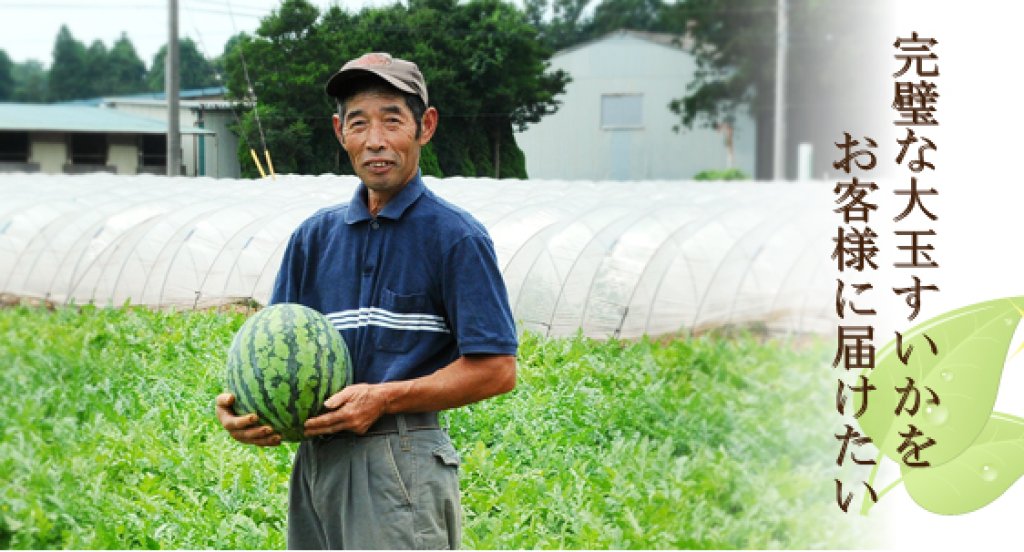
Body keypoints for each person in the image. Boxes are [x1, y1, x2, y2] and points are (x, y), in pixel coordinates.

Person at [215, 52, 518, 549]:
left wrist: (383, 397)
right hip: (315, 463)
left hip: (401, 459)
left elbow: (497, 369)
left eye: (392, 120)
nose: (375, 140)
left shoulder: (455, 238)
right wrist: (240, 410)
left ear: (426, 126)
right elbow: (270, 349)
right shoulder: (313, 238)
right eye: (359, 122)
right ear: (340, 132)